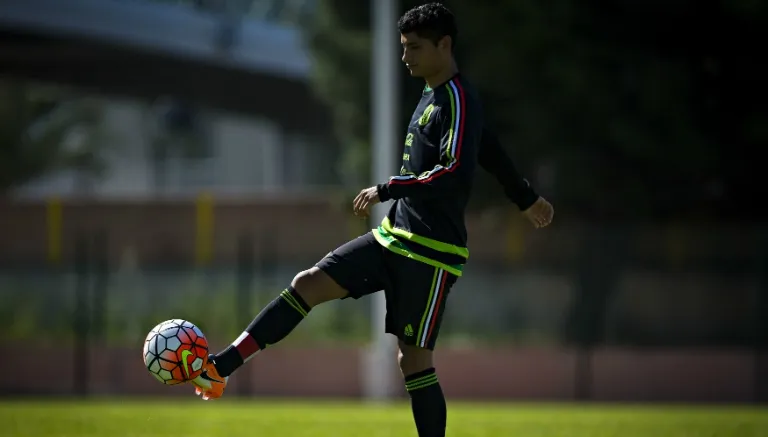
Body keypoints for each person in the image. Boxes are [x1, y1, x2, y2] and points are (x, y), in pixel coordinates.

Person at [190, 3, 554, 436]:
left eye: (415, 48)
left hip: (431, 254)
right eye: (403, 48)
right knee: (308, 283)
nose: (406, 57)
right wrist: (526, 197)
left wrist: (390, 187)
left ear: (445, 44)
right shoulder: (431, 94)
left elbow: (454, 169)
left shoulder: (458, 97)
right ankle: (221, 368)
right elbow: (488, 147)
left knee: (413, 360)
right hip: (393, 237)